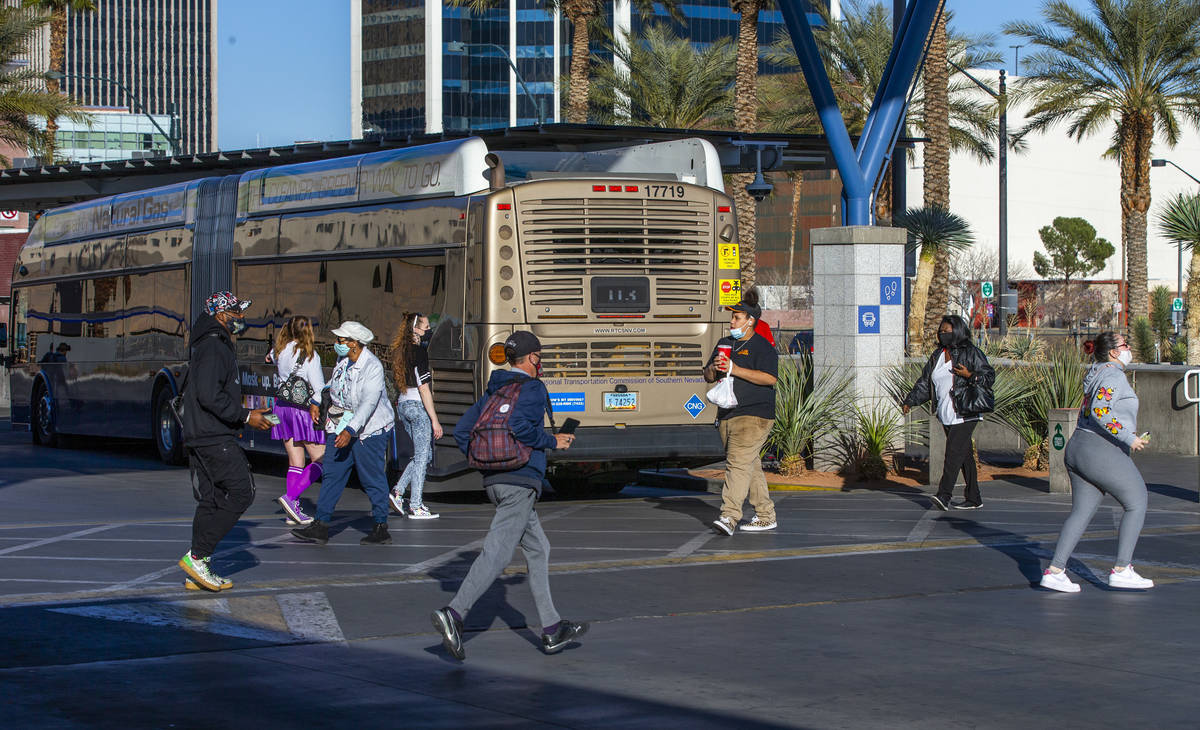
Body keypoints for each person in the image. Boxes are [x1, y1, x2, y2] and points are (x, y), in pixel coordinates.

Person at [432, 331, 587, 660]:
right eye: (539, 357)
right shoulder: (531, 388)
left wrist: (487, 461)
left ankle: (551, 629)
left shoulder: (494, 388)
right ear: (532, 358)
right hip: (521, 480)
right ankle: (454, 613)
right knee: (498, 554)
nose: (540, 362)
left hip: (495, 481)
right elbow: (519, 426)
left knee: (538, 548)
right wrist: (552, 441)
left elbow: (462, 432)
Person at [1040, 331, 1154, 592]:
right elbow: (1100, 410)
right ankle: (1122, 569)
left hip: (1078, 446)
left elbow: (1098, 409)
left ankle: (1055, 571)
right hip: (1099, 450)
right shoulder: (1113, 374)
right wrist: (1128, 437)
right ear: (1114, 352)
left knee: (1081, 512)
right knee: (1137, 501)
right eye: (1126, 344)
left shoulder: (1096, 372)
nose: (1129, 348)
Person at [178, 291, 273, 591]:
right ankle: (199, 556)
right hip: (212, 434)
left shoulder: (208, 344)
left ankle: (198, 566)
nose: (241, 319)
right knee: (242, 491)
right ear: (221, 315)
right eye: (236, 314)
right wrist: (245, 417)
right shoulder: (215, 346)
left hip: (202, 433)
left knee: (211, 498)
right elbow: (209, 394)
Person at [291, 321, 396, 546]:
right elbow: (332, 384)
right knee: (332, 473)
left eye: (341, 340)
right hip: (341, 425)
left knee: (371, 477)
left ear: (354, 343)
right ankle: (321, 524)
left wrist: (350, 430)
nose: (337, 343)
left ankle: (380, 526)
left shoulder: (372, 367)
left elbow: (369, 403)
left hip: (369, 430)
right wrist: (316, 400)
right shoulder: (343, 360)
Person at [701, 289, 779, 536]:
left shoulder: (762, 347)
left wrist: (735, 368)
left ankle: (729, 516)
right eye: (732, 317)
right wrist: (714, 368)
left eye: (737, 317)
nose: (731, 321)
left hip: (755, 415)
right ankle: (766, 515)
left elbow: (769, 378)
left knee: (736, 464)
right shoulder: (725, 343)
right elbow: (707, 375)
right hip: (727, 413)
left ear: (750, 321)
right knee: (749, 464)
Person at [901, 315, 995, 510]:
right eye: (941, 331)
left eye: (947, 331)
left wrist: (970, 376)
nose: (943, 334)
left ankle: (944, 494)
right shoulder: (937, 355)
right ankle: (974, 497)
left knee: (953, 453)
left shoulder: (971, 352)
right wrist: (911, 401)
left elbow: (988, 375)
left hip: (966, 411)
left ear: (958, 331)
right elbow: (925, 383)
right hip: (946, 412)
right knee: (964, 455)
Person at [269, 316, 326, 526]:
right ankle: (291, 498)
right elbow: (319, 389)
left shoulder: (280, 351)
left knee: (295, 462)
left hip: (281, 409)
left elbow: (270, 359)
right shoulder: (310, 356)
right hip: (302, 412)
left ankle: (291, 512)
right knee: (321, 458)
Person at [388, 312, 444, 519]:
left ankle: (398, 491)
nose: (429, 330)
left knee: (424, 455)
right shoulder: (419, 352)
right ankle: (416, 504)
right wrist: (435, 420)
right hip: (416, 406)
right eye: (426, 327)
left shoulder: (399, 352)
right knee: (422, 457)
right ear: (416, 329)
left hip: (402, 405)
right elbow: (424, 388)